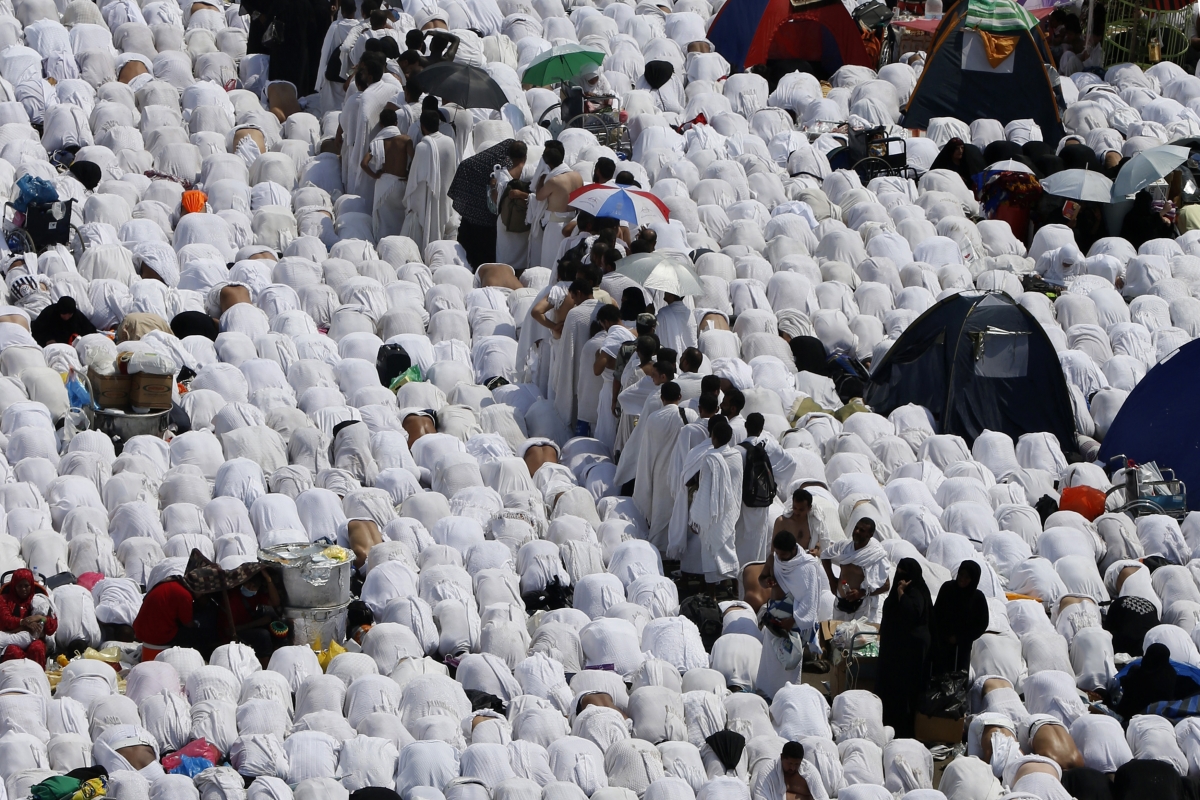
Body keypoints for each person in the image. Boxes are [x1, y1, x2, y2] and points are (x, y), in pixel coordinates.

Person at [876, 558, 933, 738]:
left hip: (909, 655)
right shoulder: (895, 593)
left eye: (905, 574)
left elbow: (912, 613)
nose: (900, 578)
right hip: (893, 651)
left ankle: (903, 732)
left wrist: (902, 593)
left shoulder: (917, 592)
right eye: (899, 572)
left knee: (904, 696)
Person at [401, 109, 457, 251]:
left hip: (426, 199)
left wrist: (410, 201)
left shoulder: (422, 147)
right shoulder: (450, 142)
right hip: (445, 195)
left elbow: (414, 179)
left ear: (422, 126)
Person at [821, 518, 891, 622]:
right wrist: (831, 580)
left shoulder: (875, 554)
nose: (857, 531)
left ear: (870, 535)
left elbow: (886, 586)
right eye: (856, 528)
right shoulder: (845, 546)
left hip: (861, 607)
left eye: (862, 530)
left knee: (857, 632)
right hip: (840, 604)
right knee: (837, 631)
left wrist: (861, 593)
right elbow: (825, 555)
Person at [360, 108, 412, 241]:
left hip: (384, 185)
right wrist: (409, 175)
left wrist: (375, 175)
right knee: (401, 220)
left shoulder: (377, 142)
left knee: (383, 223)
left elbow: (364, 164)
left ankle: (381, 246)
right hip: (401, 184)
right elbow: (415, 161)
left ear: (381, 124)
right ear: (396, 123)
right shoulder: (406, 140)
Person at [932, 560, 990, 676]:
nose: (962, 579)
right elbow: (936, 613)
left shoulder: (977, 598)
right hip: (942, 643)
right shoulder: (947, 588)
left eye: (967, 577)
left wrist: (960, 638)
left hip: (962, 648)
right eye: (961, 574)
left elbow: (981, 624)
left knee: (958, 679)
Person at [532, 141, 583, 269]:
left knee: (550, 262)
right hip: (572, 225)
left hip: (555, 227)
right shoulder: (577, 176)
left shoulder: (553, 181)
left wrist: (541, 179)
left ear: (548, 164)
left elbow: (539, 196)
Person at [221, 570, 283, 665]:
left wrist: (269, 580)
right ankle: (265, 665)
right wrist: (256, 623)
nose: (250, 588)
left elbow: (276, 602)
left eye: (254, 586)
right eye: (248, 584)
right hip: (232, 635)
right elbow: (228, 631)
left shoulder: (255, 596)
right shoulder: (233, 599)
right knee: (263, 635)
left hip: (248, 628)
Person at [132, 575, 201, 661]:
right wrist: (198, 623)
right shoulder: (185, 595)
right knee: (195, 634)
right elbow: (187, 623)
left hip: (141, 630)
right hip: (158, 636)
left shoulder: (169, 583)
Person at [0, 569, 56, 665]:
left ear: (31, 585)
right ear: (14, 586)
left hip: (35, 640)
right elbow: (5, 620)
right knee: (13, 651)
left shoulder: (39, 599)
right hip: (12, 639)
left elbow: (52, 625)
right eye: (19, 586)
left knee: (37, 648)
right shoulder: (3, 599)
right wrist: (25, 623)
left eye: (26, 586)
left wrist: (39, 618)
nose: (23, 589)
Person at [31, 296, 96, 346]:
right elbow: (36, 330)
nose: (66, 317)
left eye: (69, 314)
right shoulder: (49, 313)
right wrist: (46, 340)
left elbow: (90, 330)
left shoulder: (77, 315)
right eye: (64, 314)